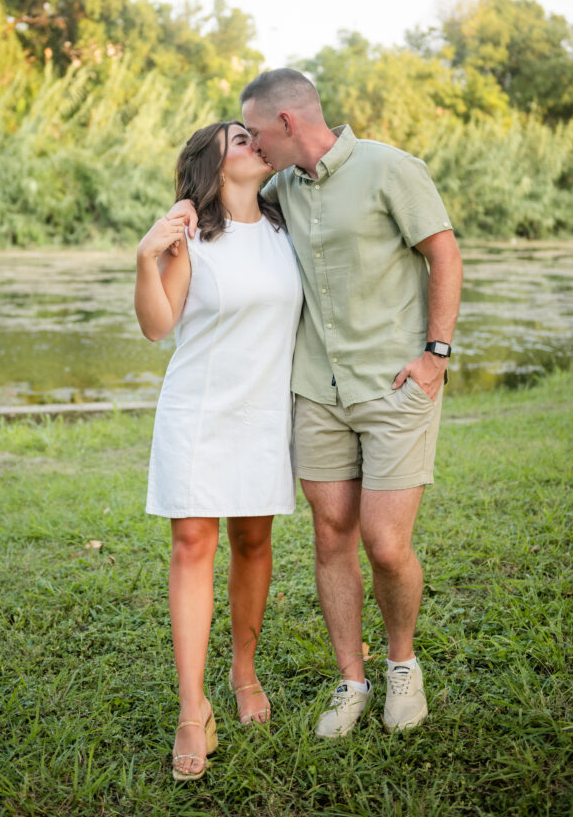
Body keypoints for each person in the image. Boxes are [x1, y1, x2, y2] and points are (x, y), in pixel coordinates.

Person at [173, 69, 462, 738]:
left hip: (394, 386)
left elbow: (443, 255)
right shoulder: (279, 190)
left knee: (385, 544)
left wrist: (435, 354)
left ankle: (401, 665)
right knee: (331, 534)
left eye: (255, 132)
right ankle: (351, 679)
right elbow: (228, 209)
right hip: (316, 392)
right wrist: (187, 210)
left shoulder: (392, 169)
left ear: (288, 125)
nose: (254, 145)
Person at [135, 120, 302, 780]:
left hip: (264, 412)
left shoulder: (290, 228)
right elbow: (156, 326)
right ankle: (190, 706)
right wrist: (146, 257)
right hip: (198, 411)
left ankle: (243, 671)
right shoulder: (190, 237)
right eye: (239, 138)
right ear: (212, 162)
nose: (254, 142)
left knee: (253, 543)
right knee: (192, 544)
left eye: (255, 135)